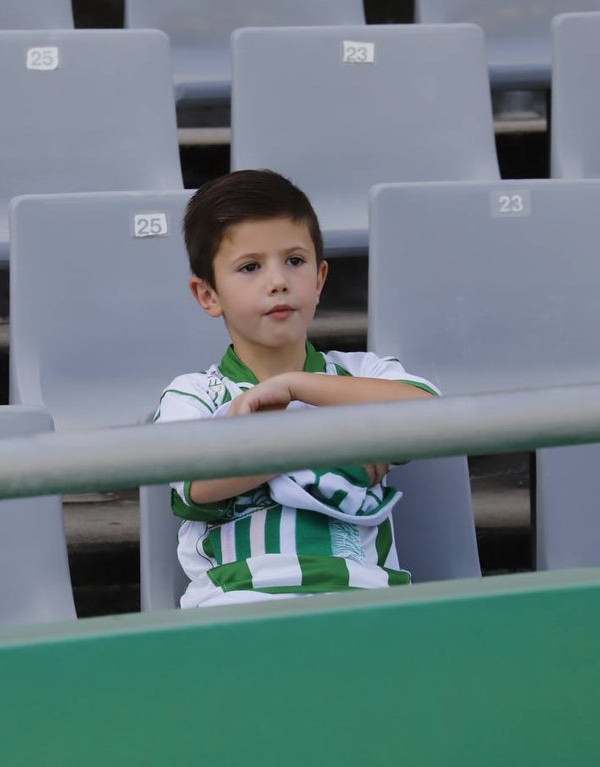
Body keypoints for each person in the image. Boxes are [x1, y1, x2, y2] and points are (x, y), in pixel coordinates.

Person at [155, 169, 440, 608]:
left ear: (320, 278)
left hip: (364, 597)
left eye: (294, 261)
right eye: (250, 267)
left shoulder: (362, 373)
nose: (278, 281)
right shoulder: (195, 393)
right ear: (208, 294)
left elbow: (430, 416)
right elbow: (195, 481)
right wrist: (329, 441)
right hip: (240, 599)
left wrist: (293, 387)